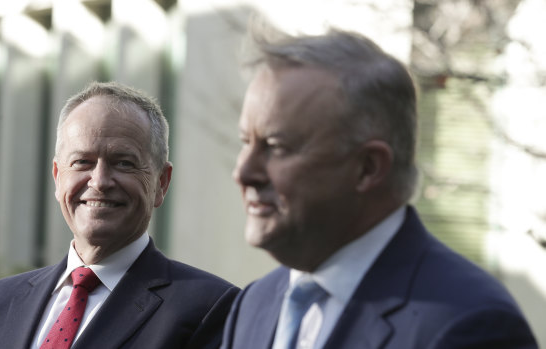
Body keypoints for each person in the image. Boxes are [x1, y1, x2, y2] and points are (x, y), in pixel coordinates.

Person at [221, 24, 538, 349]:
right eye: (246, 141)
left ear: (368, 168)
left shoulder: (471, 325)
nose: (243, 172)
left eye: (276, 146)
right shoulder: (254, 306)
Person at [0, 81, 239, 349]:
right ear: (57, 176)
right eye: (82, 162)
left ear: (161, 183)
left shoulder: (213, 308)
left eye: (124, 163)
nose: (99, 181)